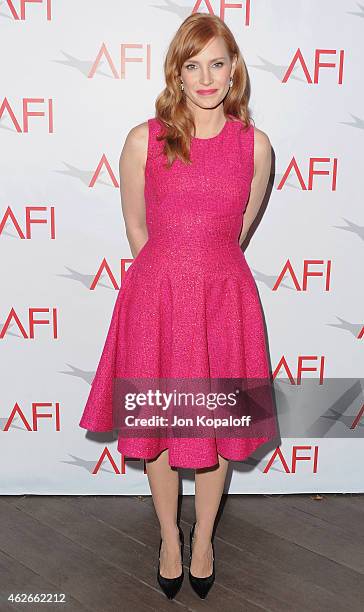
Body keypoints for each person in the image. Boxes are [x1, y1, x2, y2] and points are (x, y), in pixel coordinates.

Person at [79, 12, 277, 601]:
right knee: (159, 427)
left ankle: (204, 539)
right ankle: (169, 537)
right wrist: (169, 280)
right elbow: (137, 229)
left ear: (234, 68)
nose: (207, 76)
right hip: (156, 302)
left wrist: (204, 273)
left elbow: (238, 229)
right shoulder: (145, 139)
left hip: (224, 302)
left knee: (213, 428)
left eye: (217, 63)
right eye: (193, 65)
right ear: (177, 72)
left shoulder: (256, 145)